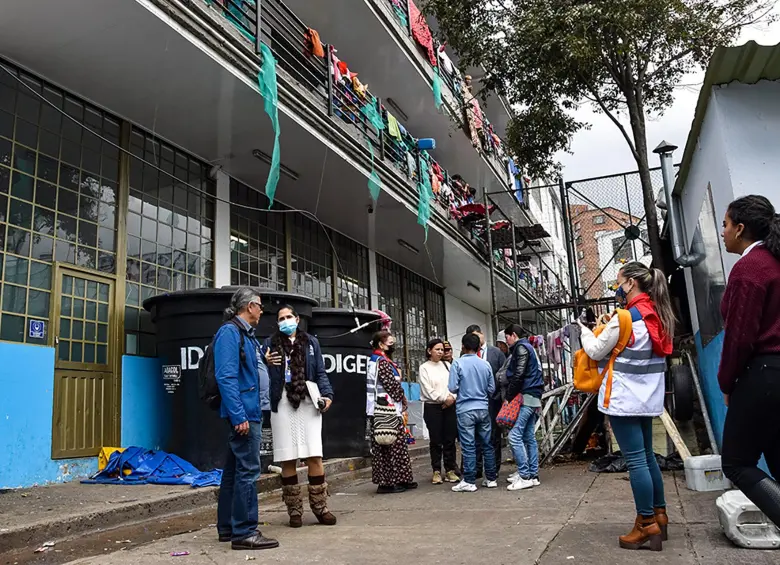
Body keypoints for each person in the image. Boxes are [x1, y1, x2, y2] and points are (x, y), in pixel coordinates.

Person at [579, 261, 674, 551]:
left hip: (623, 399)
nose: (617, 289)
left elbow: (595, 350)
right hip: (647, 399)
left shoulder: (624, 318)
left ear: (631, 283)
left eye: (618, 283)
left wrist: (586, 330)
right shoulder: (657, 315)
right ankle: (660, 514)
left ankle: (646, 525)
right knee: (646, 456)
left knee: (635, 461)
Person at [718, 195, 780, 529]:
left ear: (740, 228)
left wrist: (727, 383)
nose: (722, 232)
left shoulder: (750, 268)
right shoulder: (775, 261)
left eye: (725, 225)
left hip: (764, 374)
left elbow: (740, 337)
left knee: (737, 463)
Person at [214, 288, 279, 550]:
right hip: (244, 415)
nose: (262, 311)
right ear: (249, 307)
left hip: (250, 412)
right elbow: (226, 376)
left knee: (233, 472)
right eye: (260, 306)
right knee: (248, 472)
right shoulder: (229, 333)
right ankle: (245, 531)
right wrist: (238, 414)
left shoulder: (247, 336)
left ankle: (228, 528)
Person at [264, 305, 336, 528]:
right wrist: (265, 363)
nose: (285, 321)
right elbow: (258, 373)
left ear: (297, 319)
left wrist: (328, 395)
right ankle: (294, 510)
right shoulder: (269, 344)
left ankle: (320, 507)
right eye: (281, 318)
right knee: (288, 458)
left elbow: (321, 372)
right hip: (282, 402)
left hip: (308, 400)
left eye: (289, 317)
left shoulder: (311, 342)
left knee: (314, 455)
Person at [367, 330, 417, 494]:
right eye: (390, 343)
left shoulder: (382, 361)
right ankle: (387, 482)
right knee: (388, 445)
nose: (393, 345)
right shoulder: (380, 362)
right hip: (385, 409)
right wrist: (402, 398)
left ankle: (401, 478)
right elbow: (392, 386)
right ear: (381, 345)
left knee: (396, 444)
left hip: (388, 408)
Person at [448, 333, 497, 492]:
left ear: (463, 346)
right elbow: (491, 389)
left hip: (465, 409)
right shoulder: (485, 364)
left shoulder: (458, 363)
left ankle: (469, 480)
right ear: (478, 347)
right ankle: (491, 478)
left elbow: (452, 387)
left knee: (468, 445)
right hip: (483, 408)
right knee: (487, 444)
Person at [503, 324, 544, 491]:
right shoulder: (529, 347)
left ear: (513, 335)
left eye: (506, 338)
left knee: (514, 436)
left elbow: (519, 374)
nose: (506, 342)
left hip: (526, 396)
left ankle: (525, 475)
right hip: (534, 396)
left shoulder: (521, 348)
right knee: (528, 436)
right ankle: (532, 475)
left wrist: (508, 397)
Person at [466, 324, 506, 478]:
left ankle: (494, 469)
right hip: (474, 402)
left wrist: (499, 397)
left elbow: (503, 375)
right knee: (475, 437)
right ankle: (477, 469)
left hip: (493, 401)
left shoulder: (496, 353)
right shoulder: (466, 358)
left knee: (493, 436)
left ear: (482, 334)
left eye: (478, 335)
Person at [419, 338, 459, 484]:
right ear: (429, 351)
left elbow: (454, 384)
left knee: (449, 439)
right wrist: (443, 399)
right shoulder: (424, 368)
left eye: (442, 349)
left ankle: (450, 470)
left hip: (449, 406)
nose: (441, 352)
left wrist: (451, 398)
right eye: (437, 349)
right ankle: (436, 470)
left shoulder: (447, 365)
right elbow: (427, 389)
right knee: (436, 440)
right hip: (433, 407)